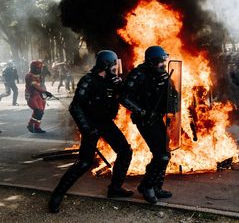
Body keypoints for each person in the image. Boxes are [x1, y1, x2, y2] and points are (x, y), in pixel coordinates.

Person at [48, 50, 133, 213]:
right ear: (106, 65)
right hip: (91, 125)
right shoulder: (88, 80)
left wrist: (120, 86)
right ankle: (57, 195)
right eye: (114, 64)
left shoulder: (111, 81)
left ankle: (115, 188)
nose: (116, 67)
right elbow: (75, 106)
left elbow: (122, 98)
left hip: (106, 123)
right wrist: (87, 128)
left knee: (125, 152)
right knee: (84, 163)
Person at [121, 46, 173, 204]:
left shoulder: (162, 74)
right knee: (161, 155)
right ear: (152, 61)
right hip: (145, 120)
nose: (164, 64)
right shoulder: (138, 74)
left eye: (164, 60)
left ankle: (156, 186)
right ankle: (147, 186)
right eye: (161, 61)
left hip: (157, 118)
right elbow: (124, 97)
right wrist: (142, 111)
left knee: (165, 153)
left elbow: (169, 95)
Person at [25, 60, 53, 133]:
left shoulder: (39, 76)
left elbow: (41, 85)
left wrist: (44, 94)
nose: (39, 70)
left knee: (41, 112)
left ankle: (37, 127)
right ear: (33, 68)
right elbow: (35, 86)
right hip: (32, 96)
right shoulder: (29, 75)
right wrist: (45, 92)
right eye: (38, 68)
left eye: (40, 68)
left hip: (39, 96)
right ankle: (30, 124)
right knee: (38, 112)